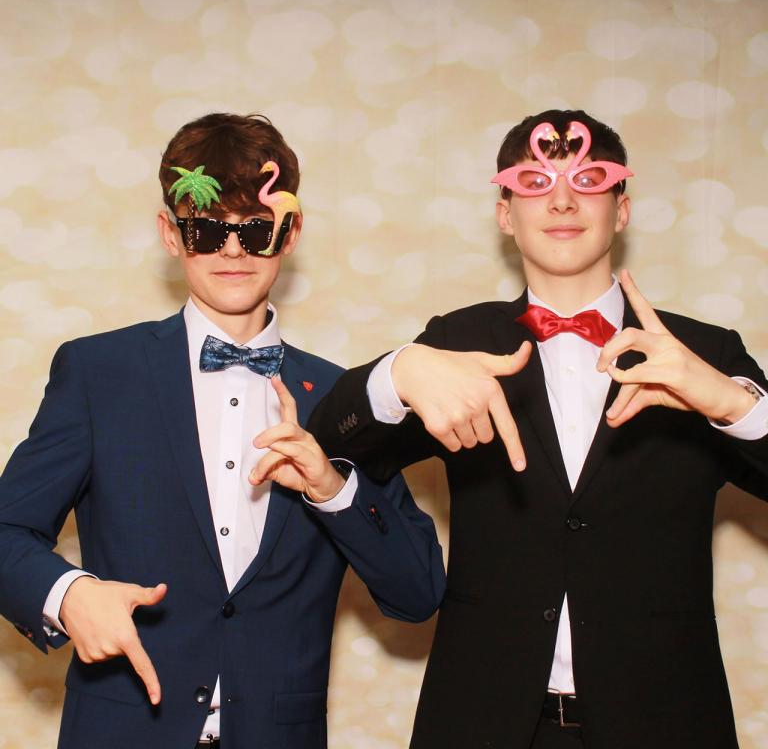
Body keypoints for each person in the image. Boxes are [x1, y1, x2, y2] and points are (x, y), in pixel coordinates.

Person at [308, 109, 768, 749]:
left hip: (666, 720)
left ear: (622, 210)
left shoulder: (703, 352)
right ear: (505, 215)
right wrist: (398, 371)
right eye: (534, 182)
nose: (561, 200)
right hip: (482, 722)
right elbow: (330, 443)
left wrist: (726, 399)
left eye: (587, 180)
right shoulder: (458, 341)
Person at [0, 113, 445, 749]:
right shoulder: (99, 373)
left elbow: (418, 592)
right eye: (207, 230)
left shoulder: (343, 399)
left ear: (289, 234)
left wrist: (332, 489)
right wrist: (67, 594)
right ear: (171, 235)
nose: (232, 250)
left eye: (255, 229)